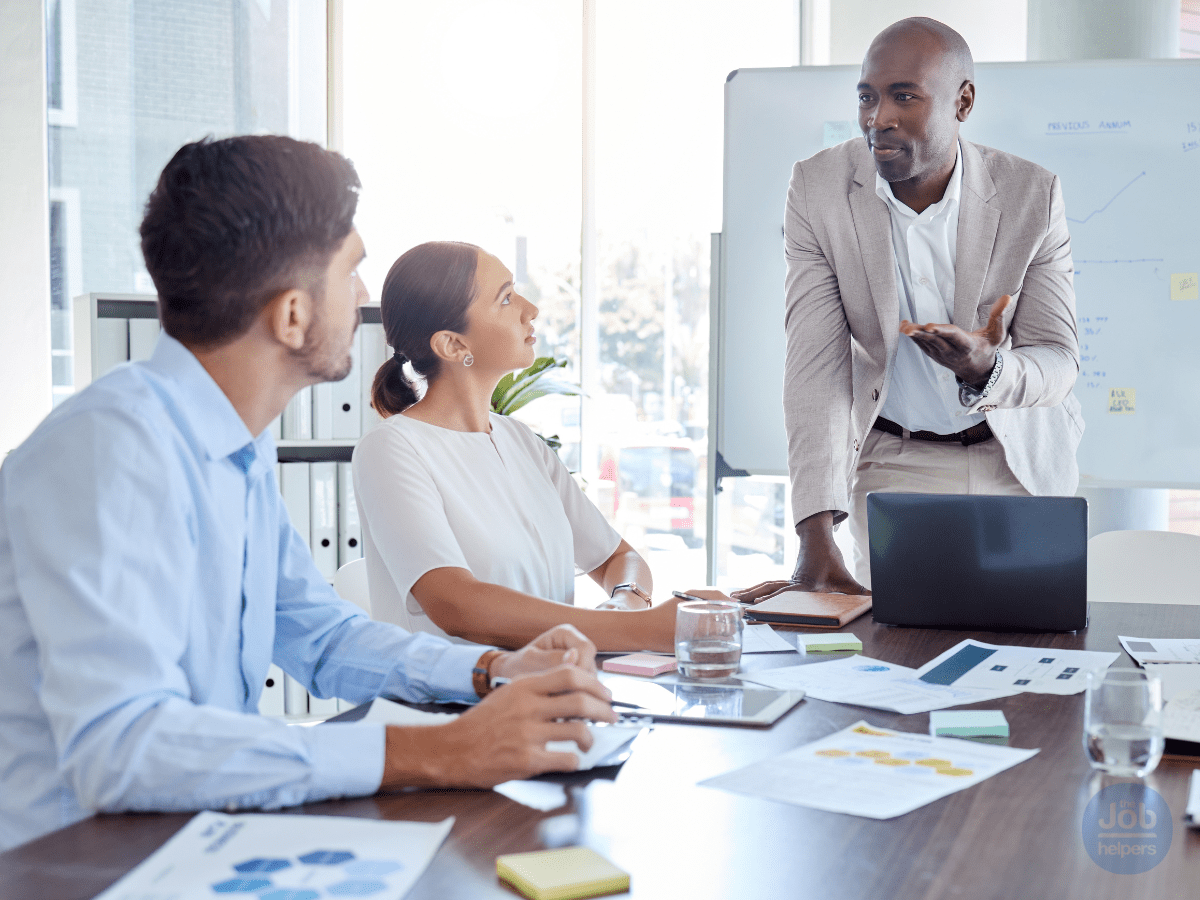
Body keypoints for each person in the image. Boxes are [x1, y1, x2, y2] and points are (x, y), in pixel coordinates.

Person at [0, 136, 617, 852]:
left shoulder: (236, 445)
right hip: (71, 867)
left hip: (189, 840)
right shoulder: (112, 449)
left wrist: (492, 669)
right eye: (351, 269)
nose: (363, 296)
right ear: (292, 314)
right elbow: (124, 747)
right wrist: (446, 751)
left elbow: (320, 634)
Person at [754, 17, 1082, 599]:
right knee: (894, 662)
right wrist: (815, 531)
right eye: (868, 96)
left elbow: (1058, 362)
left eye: (905, 96)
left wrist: (990, 368)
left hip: (1018, 462)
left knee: (1031, 659)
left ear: (963, 101)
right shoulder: (819, 189)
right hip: (896, 460)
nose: (879, 118)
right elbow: (815, 371)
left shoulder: (1032, 194)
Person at [353, 241, 684, 653]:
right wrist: (642, 630)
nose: (530, 309)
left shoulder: (523, 442)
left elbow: (617, 557)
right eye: (506, 298)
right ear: (454, 346)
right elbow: (457, 605)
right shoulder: (391, 449)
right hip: (455, 708)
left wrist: (626, 605)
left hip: (550, 695)